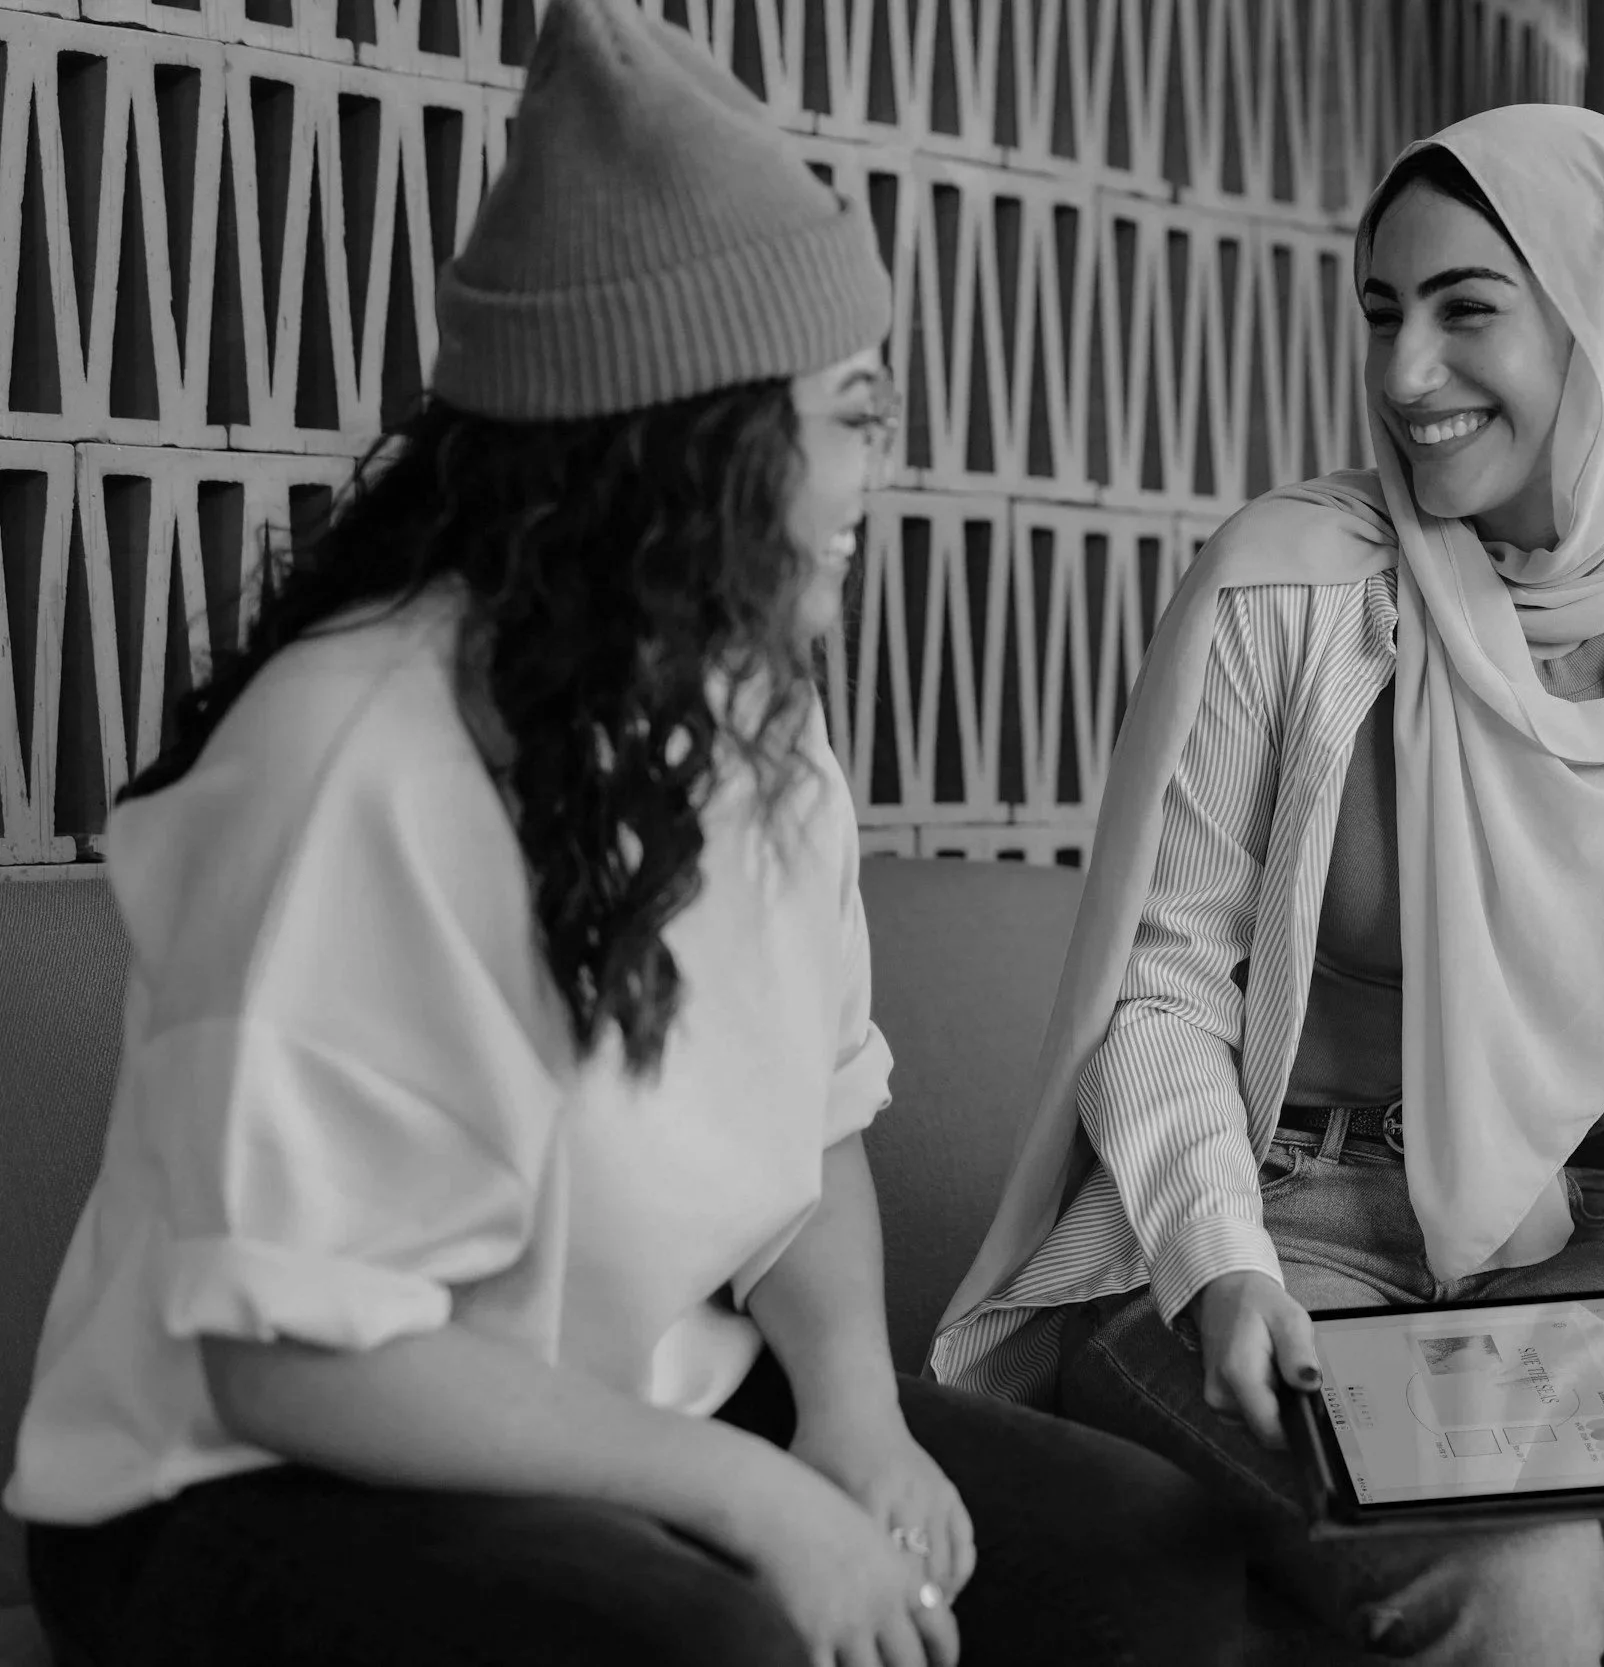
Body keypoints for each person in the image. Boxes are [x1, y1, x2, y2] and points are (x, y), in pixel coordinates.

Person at [2, 2, 1244, 1664]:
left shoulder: (757, 710)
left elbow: (808, 1143)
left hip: (630, 1406)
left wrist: (857, 1424)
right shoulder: (353, 751)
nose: (886, 465)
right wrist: (756, 1505)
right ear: (692, 443)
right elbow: (289, 1354)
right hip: (244, 1478)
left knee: (1161, 1574)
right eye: (856, 410)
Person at [930, 105, 1604, 1666]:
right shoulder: (1288, 583)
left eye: (1467, 308)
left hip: (1584, 1240)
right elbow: (1160, 983)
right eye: (1382, 311)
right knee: (1520, 1576)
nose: (1405, 372)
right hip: (1275, 1228)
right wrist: (1217, 1259)